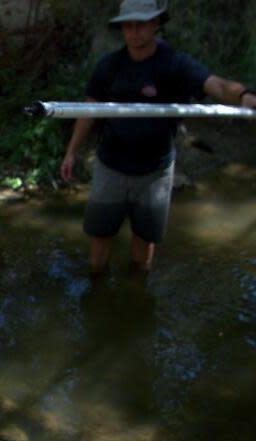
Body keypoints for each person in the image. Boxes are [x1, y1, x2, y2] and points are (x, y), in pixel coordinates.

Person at [59, 0, 256, 276]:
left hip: (155, 172)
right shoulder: (110, 66)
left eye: (141, 24)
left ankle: (137, 296)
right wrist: (72, 152)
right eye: (128, 25)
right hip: (111, 167)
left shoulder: (175, 64)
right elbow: (89, 110)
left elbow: (217, 85)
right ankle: (97, 289)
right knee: (100, 235)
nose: (134, 31)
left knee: (145, 239)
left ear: (156, 24)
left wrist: (244, 95)